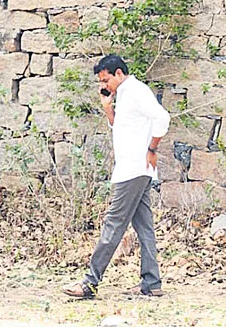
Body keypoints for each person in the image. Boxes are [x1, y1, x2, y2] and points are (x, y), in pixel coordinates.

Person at [62, 54, 170, 298]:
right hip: (134, 169)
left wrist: (152, 149)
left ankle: (89, 283)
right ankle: (151, 284)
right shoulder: (125, 94)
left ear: (119, 73)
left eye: (106, 79)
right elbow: (120, 127)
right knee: (145, 229)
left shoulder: (136, 91)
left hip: (133, 170)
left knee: (113, 225)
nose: (104, 85)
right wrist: (107, 107)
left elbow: (163, 118)